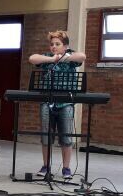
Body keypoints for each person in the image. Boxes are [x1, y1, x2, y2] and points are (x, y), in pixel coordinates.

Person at [28, 30, 86, 181]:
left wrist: (64, 58)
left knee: (66, 137)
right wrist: (52, 59)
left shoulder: (71, 56)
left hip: (66, 102)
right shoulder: (48, 57)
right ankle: (46, 166)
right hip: (47, 101)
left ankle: (66, 168)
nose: (53, 46)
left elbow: (82, 56)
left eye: (57, 44)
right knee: (46, 136)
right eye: (52, 44)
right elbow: (32, 58)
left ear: (65, 46)